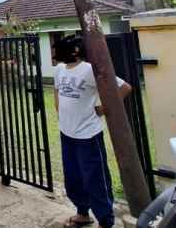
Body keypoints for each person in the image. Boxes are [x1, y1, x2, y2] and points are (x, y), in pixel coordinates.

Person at [53, 35, 132, 228]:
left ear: (75, 51)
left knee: (95, 179)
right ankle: (82, 213)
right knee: (73, 178)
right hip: (67, 133)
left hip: (88, 136)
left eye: (59, 50)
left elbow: (124, 88)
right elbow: (56, 91)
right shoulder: (59, 69)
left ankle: (105, 221)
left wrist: (103, 108)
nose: (55, 54)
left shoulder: (90, 70)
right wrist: (60, 111)